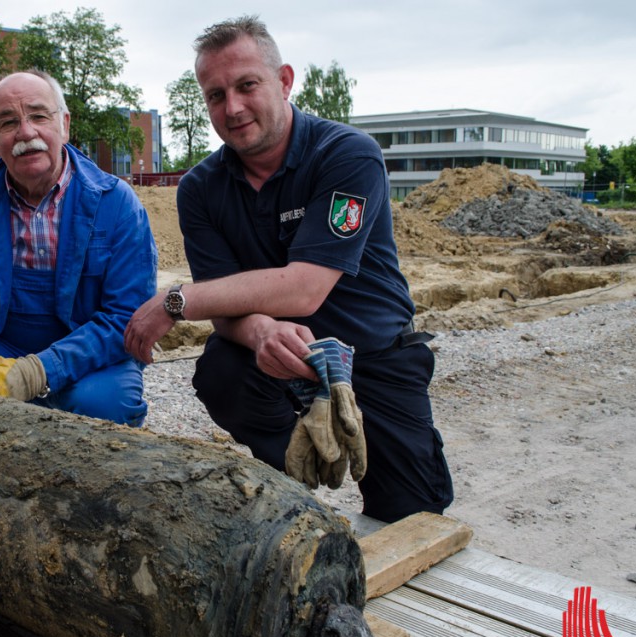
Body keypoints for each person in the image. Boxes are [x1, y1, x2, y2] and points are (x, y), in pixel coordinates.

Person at [123, 16, 452, 522]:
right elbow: (225, 308)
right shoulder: (200, 189)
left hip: (373, 356)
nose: (231, 108)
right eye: (215, 95)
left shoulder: (348, 155)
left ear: (283, 81)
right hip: (278, 366)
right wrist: (260, 336)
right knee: (222, 371)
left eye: (246, 85)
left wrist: (176, 300)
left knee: (412, 519)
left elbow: (303, 290)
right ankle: (294, 499)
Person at [0, 69, 158, 427]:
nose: (26, 132)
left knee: (105, 405)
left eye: (38, 115)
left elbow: (126, 315)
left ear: (64, 124)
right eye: (8, 122)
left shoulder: (117, 204)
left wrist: (38, 372)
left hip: (91, 357)